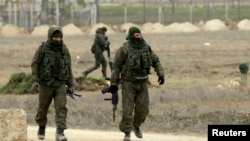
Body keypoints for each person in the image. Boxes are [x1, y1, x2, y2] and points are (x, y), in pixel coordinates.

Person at [108, 26, 165, 141]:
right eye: (136, 35)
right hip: (128, 82)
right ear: (131, 36)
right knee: (127, 110)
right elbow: (116, 67)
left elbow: (155, 61)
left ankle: (136, 125)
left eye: (140, 34)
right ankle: (127, 132)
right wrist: (113, 83)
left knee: (143, 109)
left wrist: (161, 73)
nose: (139, 36)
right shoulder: (124, 49)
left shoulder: (146, 47)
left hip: (143, 82)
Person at [31, 25, 74, 141]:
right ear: (50, 37)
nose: (57, 39)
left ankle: (60, 132)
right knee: (43, 108)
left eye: (59, 37)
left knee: (61, 107)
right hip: (45, 84)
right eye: (55, 37)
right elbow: (35, 64)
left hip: (60, 83)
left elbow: (68, 67)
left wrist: (71, 84)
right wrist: (35, 81)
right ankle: (41, 126)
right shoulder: (42, 49)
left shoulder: (64, 49)